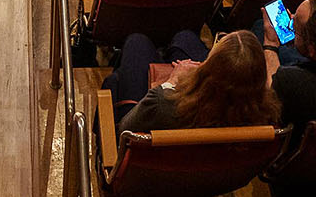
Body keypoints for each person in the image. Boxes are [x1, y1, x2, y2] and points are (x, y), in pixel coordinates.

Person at [108, 28, 280, 133]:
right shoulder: (267, 115)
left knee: (136, 43)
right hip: (218, 174)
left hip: (161, 164)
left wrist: (172, 81)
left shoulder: (162, 103)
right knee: (185, 36)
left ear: (210, 70)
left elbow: (125, 130)